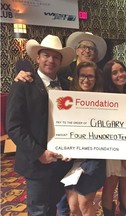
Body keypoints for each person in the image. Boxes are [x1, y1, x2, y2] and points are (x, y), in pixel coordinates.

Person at [5, 34, 75, 215]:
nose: (51, 60)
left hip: (60, 161)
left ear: (61, 61)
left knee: (57, 207)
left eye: (56, 57)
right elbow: (13, 126)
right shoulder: (22, 84)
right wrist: (39, 153)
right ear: (38, 57)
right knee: (39, 211)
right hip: (37, 162)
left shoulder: (66, 87)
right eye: (46, 55)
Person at [64, 61, 106, 216]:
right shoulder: (67, 98)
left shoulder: (103, 102)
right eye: (83, 76)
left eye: (90, 76)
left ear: (96, 79)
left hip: (92, 160)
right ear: (77, 77)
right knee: (73, 207)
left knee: (84, 204)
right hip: (69, 160)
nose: (86, 80)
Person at [101, 59, 126, 216]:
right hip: (114, 148)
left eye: (122, 70)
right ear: (108, 77)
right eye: (114, 72)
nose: (120, 74)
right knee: (111, 184)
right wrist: (123, 155)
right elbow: (113, 128)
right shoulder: (107, 97)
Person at [14, 31, 107, 89]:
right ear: (76, 51)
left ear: (95, 53)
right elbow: (42, 75)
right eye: (83, 47)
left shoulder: (101, 74)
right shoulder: (61, 70)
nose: (87, 51)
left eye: (91, 48)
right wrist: (25, 75)